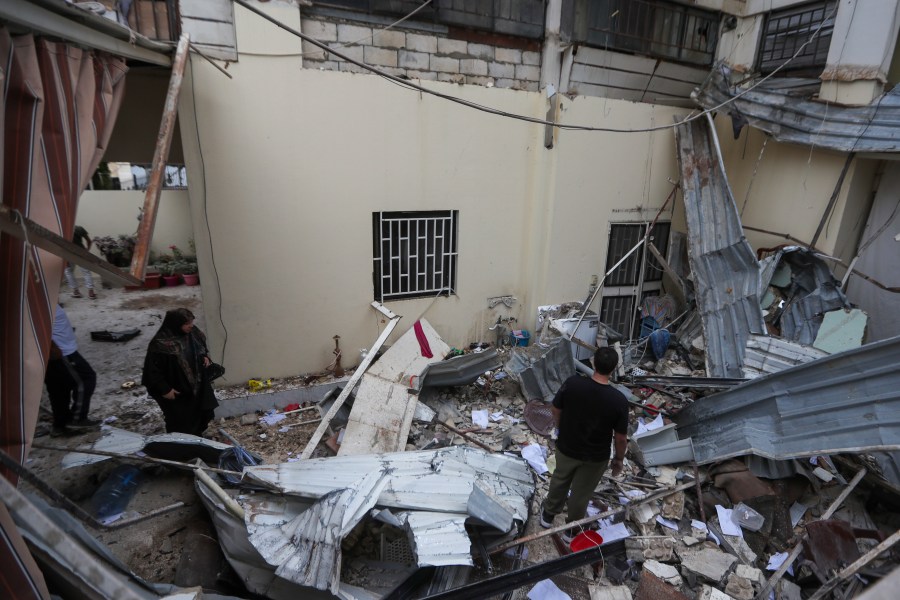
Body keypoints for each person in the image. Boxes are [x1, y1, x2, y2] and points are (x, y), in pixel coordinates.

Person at [540, 347, 629, 540]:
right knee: (582, 493)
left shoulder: (573, 384)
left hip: (567, 447)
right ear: (613, 369)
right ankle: (571, 531)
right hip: (595, 457)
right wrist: (619, 459)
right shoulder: (619, 400)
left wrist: (560, 428)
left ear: (594, 363)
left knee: (560, 480)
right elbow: (620, 437)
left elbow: (555, 409)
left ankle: (548, 516)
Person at [142, 308, 218, 436]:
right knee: (180, 420)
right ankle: (181, 447)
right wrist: (165, 389)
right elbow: (152, 371)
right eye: (187, 324)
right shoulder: (160, 345)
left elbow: (200, 347)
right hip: (177, 391)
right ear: (176, 325)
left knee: (198, 414)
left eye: (191, 322)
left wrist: (204, 356)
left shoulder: (191, 333)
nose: (191, 326)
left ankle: (197, 440)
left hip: (196, 386)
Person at [44, 305, 100, 437]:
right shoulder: (35, 296)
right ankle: (77, 419)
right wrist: (51, 346)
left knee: (58, 388)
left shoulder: (42, 293)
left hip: (59, 349)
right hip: (62, 351)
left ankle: (60, 425)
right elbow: (34, 324)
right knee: (86, 379)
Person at [65, 225, 96, 299]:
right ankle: (91, 292)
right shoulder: (79, 228)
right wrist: (87, 251)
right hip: (80, 252)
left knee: (68, 271)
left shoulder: (63, 229)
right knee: (86, 271)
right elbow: (89, 241)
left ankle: (76, 291)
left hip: (68, 253)